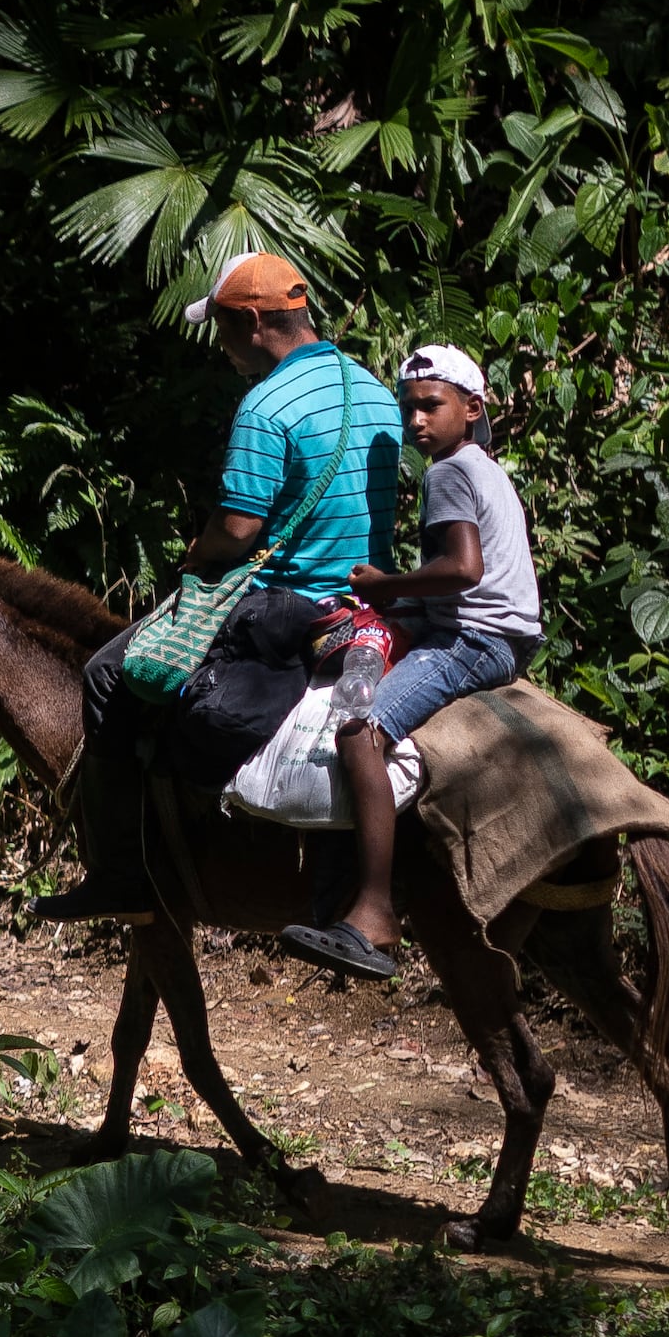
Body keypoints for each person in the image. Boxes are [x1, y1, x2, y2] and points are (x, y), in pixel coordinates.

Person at [36, 252, 412, 921]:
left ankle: (120, 874)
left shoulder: (265, 405)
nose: (221, 344)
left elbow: (238, 528)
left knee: (102, 675)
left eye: (222, 328)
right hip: (366, 601)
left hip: (286, 603)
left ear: (254, 322)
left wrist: (196, 554)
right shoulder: (373, 388)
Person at [282, 341, 542, 983]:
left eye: (431, 406)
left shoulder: (448, 473)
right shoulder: (486, 466)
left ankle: (372, 913)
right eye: (409, 410)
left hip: (475, 639)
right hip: (501, 633)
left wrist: (385, 587)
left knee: (358, 730)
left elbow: (463, 570)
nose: (417, 422)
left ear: (472, 407)